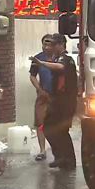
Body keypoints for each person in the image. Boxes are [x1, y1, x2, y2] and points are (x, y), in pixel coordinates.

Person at [29, 33, 77, 169]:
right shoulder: (55, 59)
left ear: (61, 45)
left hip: (65, 102)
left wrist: (42, 63)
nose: (51, 47)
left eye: (54, 44)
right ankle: (61, 157)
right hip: (56, 100)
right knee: (49, 127)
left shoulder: (66, 59)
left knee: (60, 130)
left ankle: (67, 159)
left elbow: (60, 67)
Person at [29, 34, 54, 161]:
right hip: (43, 94)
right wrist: (39, 89)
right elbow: (32, 76)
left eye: (49, 43)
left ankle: (57, 150)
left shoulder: (59, 58)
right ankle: (42, 150)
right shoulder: (37, 59)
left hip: (56, 95)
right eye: (44, 43)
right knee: (40, 122)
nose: (46, 46)